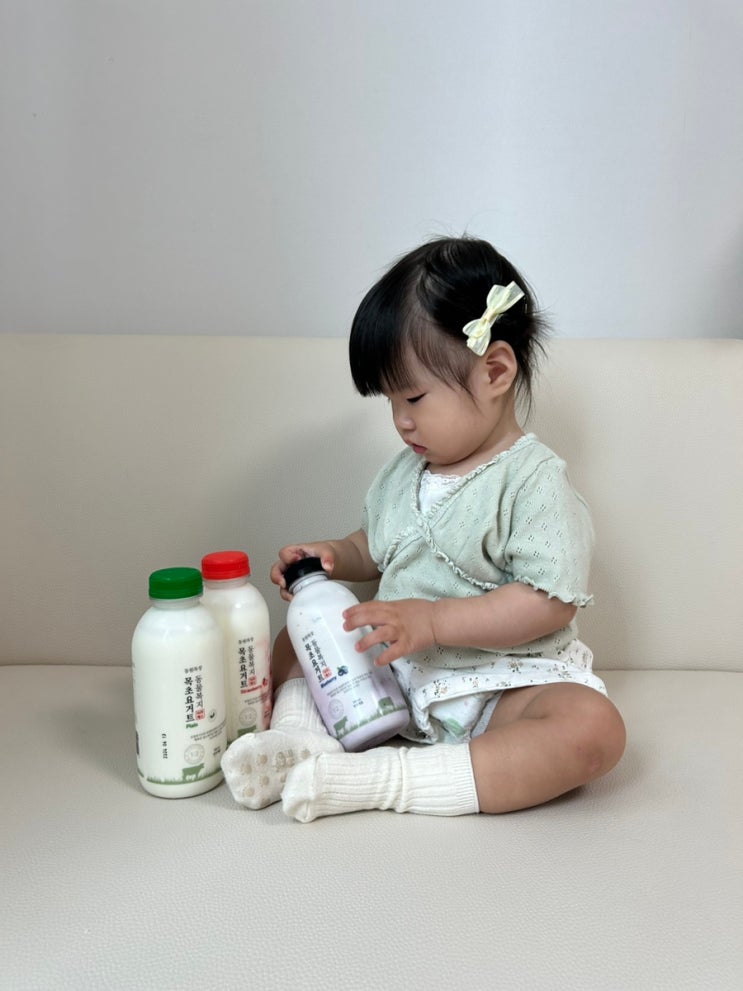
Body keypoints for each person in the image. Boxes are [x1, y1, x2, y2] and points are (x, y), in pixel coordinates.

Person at [221, 236, 626, 822]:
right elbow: (375, 548)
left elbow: (548, 601)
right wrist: (333, 555)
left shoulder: (533, 479)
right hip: (389, 677)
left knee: (592, 729)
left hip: (500, 685)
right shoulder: (402, 474)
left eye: (413, 397)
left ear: (494, 371)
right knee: (296, 641)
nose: (401, 421)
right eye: (390, 401)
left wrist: (434, 622)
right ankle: (297, 742)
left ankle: (384, 780)